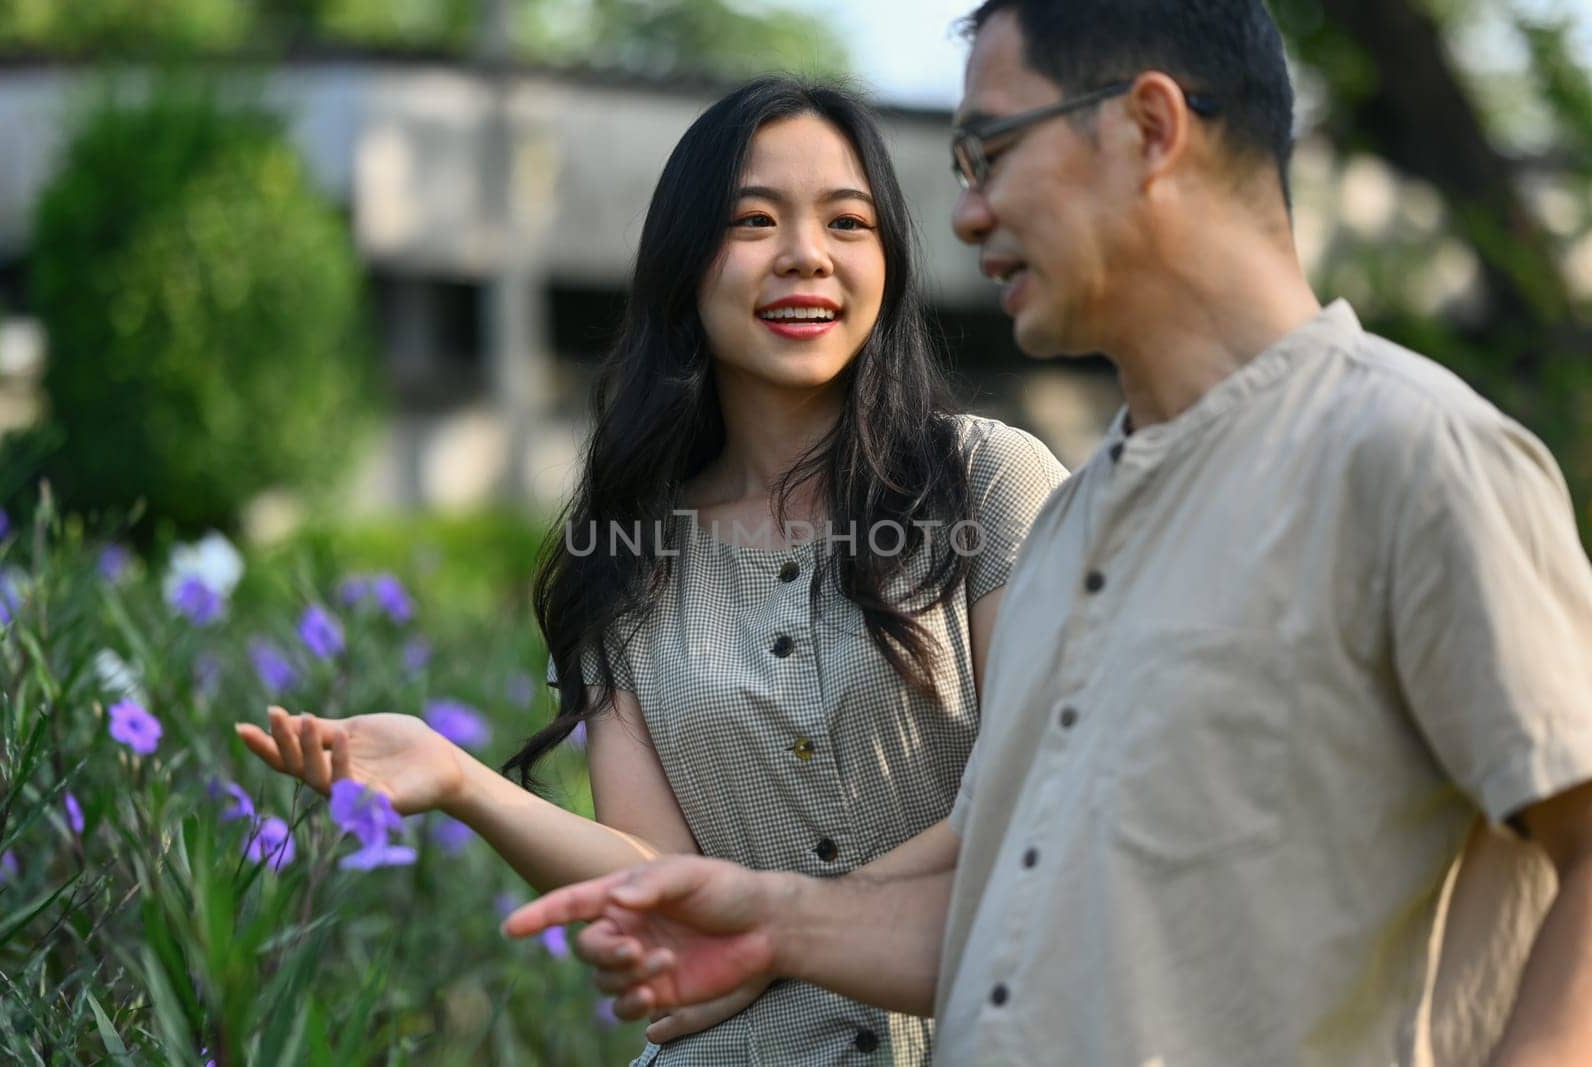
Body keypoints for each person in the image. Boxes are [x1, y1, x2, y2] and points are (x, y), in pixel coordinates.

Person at [499, 3, 1592, 1065]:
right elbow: (1002, 908)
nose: (965, 215)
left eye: (992, 152)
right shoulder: (1075, 523)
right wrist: (769, 922)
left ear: (1149, 129)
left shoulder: (1407, 455)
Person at [236, 75, 1066, 1065]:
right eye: (753, 220)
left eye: (847, 222)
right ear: (685, 263)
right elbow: (657, 875)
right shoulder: (622, 567)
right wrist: (458, 778)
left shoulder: (981, 481)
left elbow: (1045, 783)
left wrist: (775, 924)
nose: (806, 255)